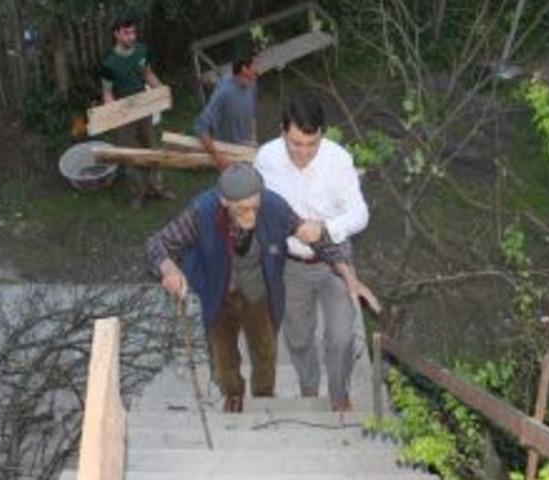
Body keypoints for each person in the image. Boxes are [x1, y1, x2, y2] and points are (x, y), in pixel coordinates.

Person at [145, 164, 379, 413]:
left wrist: (348, 275)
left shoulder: (274, 207)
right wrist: (169, 269)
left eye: (255, 207)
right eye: (242, 209)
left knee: (266, 353)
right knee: (224, 361)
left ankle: (264, 396)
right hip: (218, 295)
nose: (251, 216)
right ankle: (233, 395)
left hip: (259, 294)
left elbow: (317, 240)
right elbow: (157, 244)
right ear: (225, 201)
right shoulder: (201, 211)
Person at [254, 92, 370, 411]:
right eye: (296, 144)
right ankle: (308, 386)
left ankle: (338, 393)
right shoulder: (265, 159)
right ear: (282, 132)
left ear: (322, 135)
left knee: (341, 338)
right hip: (290, 266)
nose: (304, 153)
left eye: (312, 144)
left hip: (334, 262)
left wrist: (326, 229)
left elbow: (360, 214)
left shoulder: (338, 161)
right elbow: (256, 207)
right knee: (299, 338)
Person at [99, 16, 174, 209]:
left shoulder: (142, 51)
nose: (132, 36)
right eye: (126, 33)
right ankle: (138, 194)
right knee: (130, 155)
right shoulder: (109, 63)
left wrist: (162, 91)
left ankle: (157, 187)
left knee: (151, 148)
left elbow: (148, 74)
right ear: (116, 34)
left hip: (145, 108)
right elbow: (107, 92)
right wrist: (114, 115)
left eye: (133, 32)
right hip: (124, 115)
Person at [194, 53, 258, 170]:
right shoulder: (223, 92)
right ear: (244, 69)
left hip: (247, 151)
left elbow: (252, 112)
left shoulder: (251, 82)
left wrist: (253, 138)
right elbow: (200, 126)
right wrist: (218, 158)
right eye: (255, 66)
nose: (257, 70)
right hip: (227, 155)